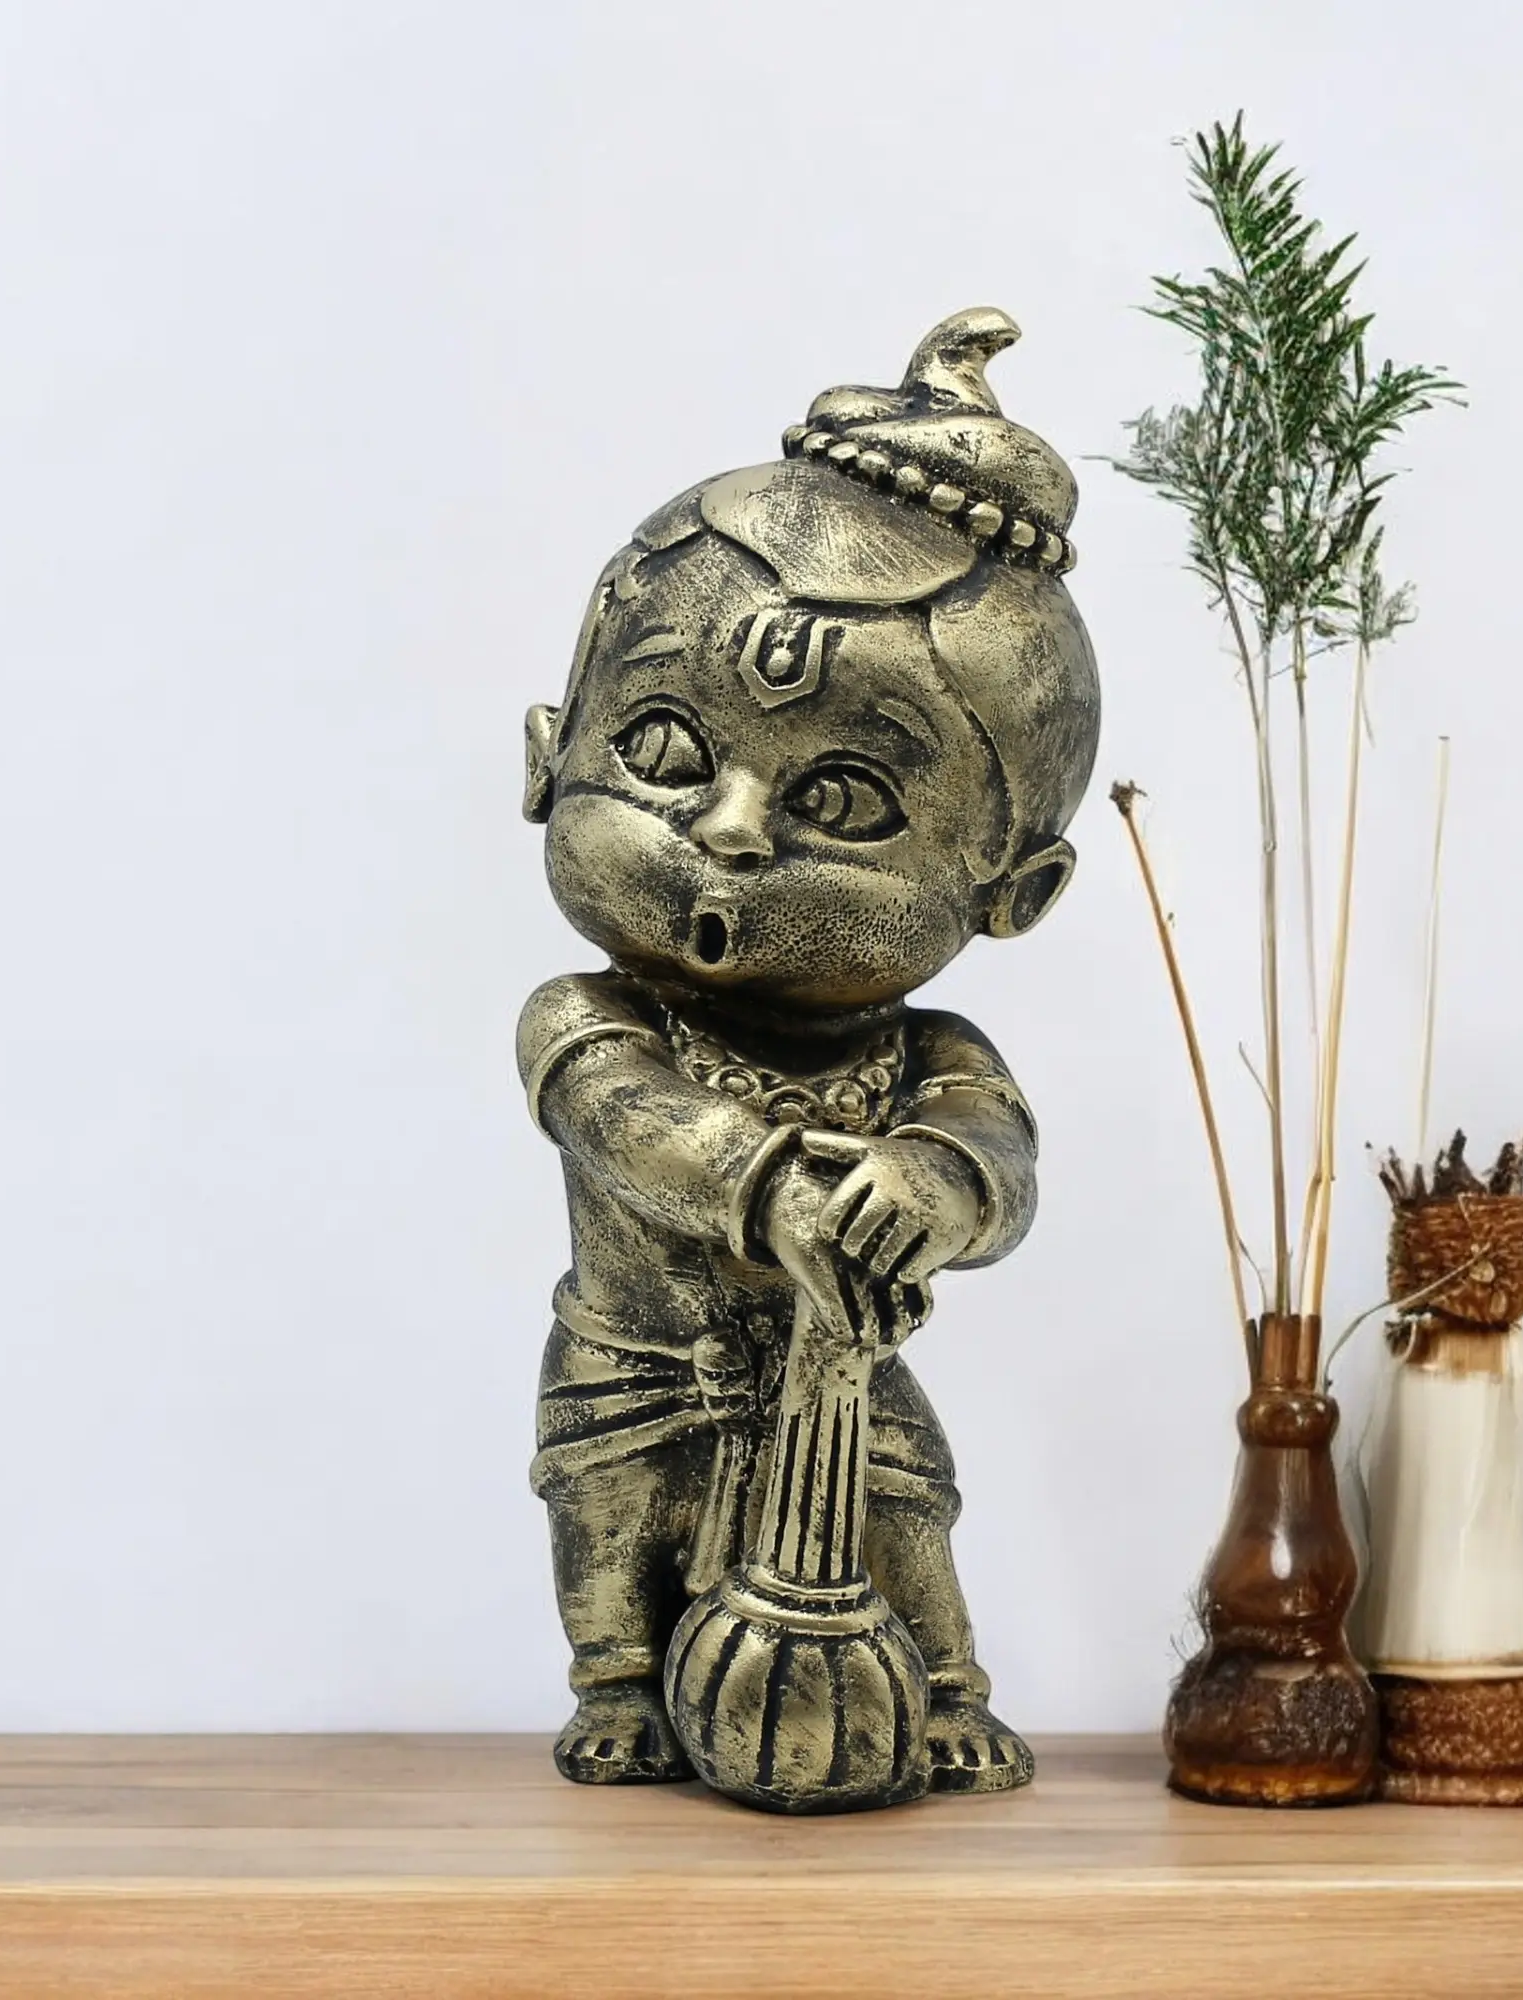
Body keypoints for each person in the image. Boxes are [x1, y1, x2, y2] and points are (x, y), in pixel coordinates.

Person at [518, 310, 1099, 1792]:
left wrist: (938, 1185)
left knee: (907, 1504)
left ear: (1015, 891)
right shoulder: (585, 1020)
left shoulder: (931, 1053)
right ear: (546, 754)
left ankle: (947, 1682)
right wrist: (776, 1189)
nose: (728, 830)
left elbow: (999, 1165)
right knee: (605, 1502)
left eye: (838, 800)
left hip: (840, 1382)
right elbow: (636, 1126)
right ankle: (620, 1678)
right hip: (639, 1362)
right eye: (663, 751)